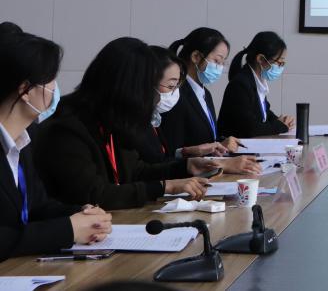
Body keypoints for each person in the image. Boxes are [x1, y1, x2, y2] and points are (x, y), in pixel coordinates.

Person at [34, 37, 215, 210]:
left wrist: (185, 167)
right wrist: (164, 187)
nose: (152, 97)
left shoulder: (111, 119)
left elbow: (135, 171)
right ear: (127, 87)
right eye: (147, 87)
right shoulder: (68, 127)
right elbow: (94, 194)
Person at [0, 32, 112, 260]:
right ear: (25, 90)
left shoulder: (24, 139)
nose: (55, 88)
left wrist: (82, 215)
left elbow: (36, 207)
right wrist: (67, 230)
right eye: (50, 80)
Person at [141, 48, 260, 176]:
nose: (175, 93)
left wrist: (188, 152)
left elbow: (163, 157)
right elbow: (144, 170)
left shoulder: (205, 94)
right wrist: (221, 164)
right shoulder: (136, 124)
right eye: (171, 86)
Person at [160, 27, 240, 155]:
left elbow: (207, 138)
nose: (220, 68)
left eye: (223, 63)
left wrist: (222, 143)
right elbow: (171, 149)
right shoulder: (175, 94)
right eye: (217, 61)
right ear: (196, 56)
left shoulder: (205, 94)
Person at [218, 31, 294, 138]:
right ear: (261, 59)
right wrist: (281, 126)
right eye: (279, 63)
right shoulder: (240, 84)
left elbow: (264, 113)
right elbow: (250, 128)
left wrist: (281, 120)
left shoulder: (255, 81)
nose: (280, 67)